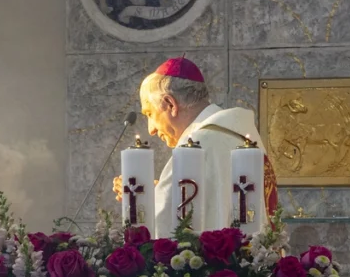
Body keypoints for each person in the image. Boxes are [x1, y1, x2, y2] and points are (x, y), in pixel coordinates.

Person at [113, 57, 278, 237]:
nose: (151, 129)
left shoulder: (199, 146)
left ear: (170, 104)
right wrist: (156, 192)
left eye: (150, 114)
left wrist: (137, 199)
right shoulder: (240, 136)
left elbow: (163, 230)